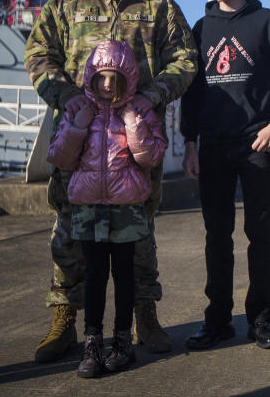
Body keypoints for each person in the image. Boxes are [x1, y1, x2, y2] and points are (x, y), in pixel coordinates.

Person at [25, 0, 197, 362]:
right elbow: (40, 55)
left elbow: (185, 59)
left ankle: (144, 313)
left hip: (133, 141)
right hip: (79, 137)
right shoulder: (66, 3)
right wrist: (65, 97)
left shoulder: (158, 6)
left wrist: (153, 95)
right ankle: (64, 316)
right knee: (68, 226)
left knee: (139, 227)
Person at [180, 0, 270, 351]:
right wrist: (189, 142)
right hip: (212, 146)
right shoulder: (200, 29)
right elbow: (191, 91)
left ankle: (261, 320)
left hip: (256, 144)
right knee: (217, 237)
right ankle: (217, 321)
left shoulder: (268, 22)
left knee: (260, 235)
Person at [46, 40, 167, 378]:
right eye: (102, 77)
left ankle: (123, 342)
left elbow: (152, 157)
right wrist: (77, 127)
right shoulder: (77, 109)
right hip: (87, 206)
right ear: (91, 78)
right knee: (95, 276)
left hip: (126, 206)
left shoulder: (140, 111)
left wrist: (134, 125)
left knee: (125, 275)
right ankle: (93, 342)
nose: (109, 85)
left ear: (128, 78)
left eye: (116, 77)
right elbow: (60, 157)